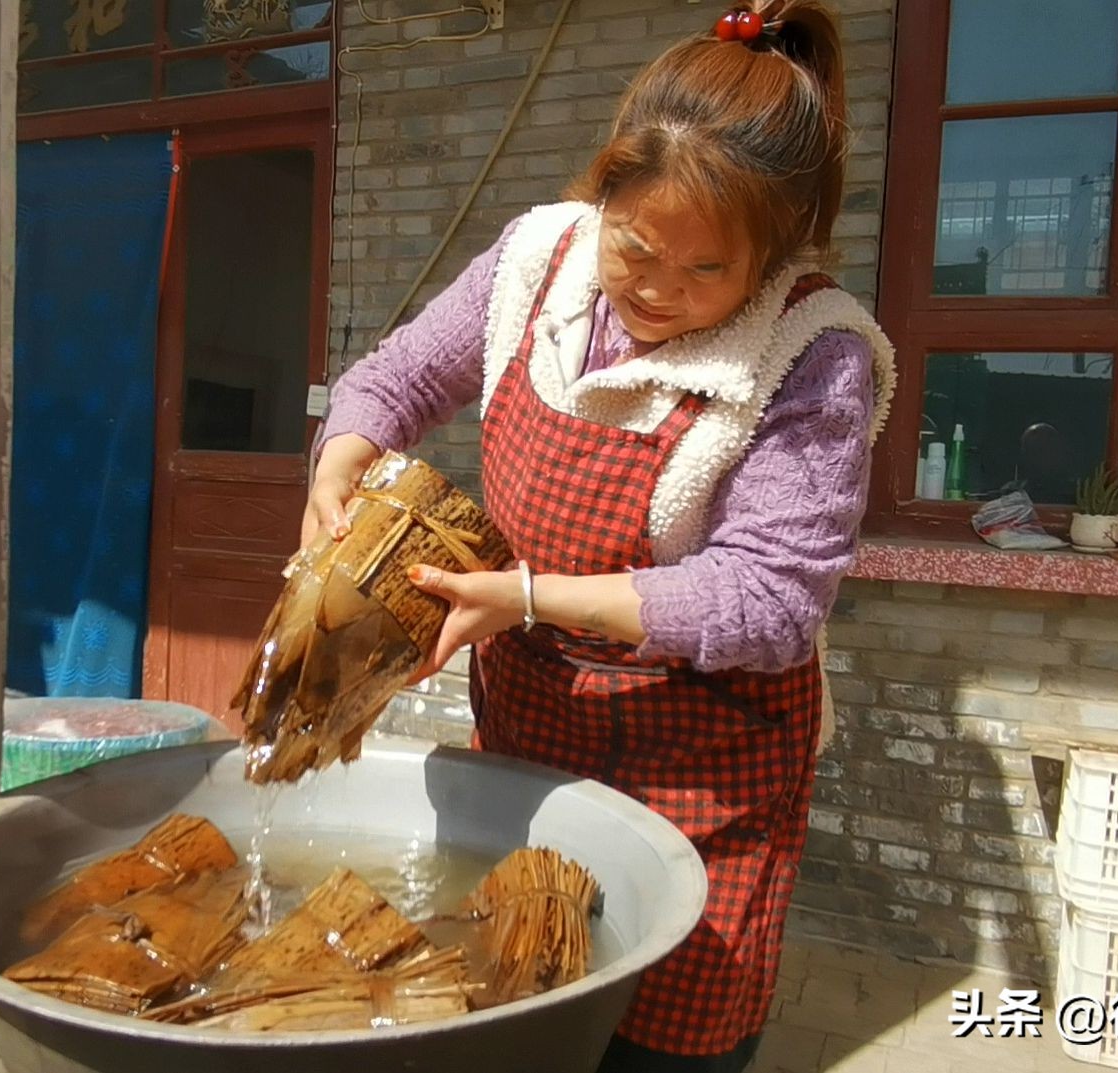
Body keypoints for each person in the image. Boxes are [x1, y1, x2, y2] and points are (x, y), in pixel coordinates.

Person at [306, 3, 896, 1070]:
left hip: (708, 760)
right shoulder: (537, 263)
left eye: (708, 272)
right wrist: (345, 446)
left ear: (776, 252)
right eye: (636, 244)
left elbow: (769, 604)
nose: (659, 290)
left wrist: (531, 596)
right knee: (518, 1007)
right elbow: (394, 379)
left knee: (666, 1038)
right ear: (604, 191)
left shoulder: (814, 353)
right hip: (532, 720)